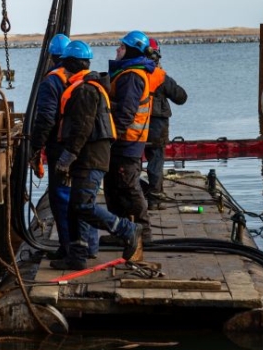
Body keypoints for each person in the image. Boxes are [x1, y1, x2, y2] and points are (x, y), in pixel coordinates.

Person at [52, 40, 144, 270]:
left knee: (83, 205)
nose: (61, 68)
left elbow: (82, 127)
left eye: (64, 64)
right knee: (75, 206)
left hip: (90, 158)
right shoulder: (84, 86)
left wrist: (68, 156)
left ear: (71, 63)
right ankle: (77, 255)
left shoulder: (84, 89)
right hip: (89, 156)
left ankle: (127, 229)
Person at [28, 33, 75, 259]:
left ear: (53, 57)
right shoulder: (79, 79)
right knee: (77, 197)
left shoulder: (52, 81)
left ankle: (68, 248)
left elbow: (46, 117)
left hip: (58, 146)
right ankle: (80, 245)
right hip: (77, 147)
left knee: (60, 198)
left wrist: (36, 146)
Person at [103, 30, 154, 228]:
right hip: (126, 141)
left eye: (122, 47)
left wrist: (110, 137)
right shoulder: (127, 73)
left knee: (128, 186)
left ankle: (142, 230)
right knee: (116, 186)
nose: (117, 49)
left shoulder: (132, 76)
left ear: (131, 51)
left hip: (127, 141)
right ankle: (123, 231)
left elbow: (126, 113)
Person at [144, 38, 188, 206]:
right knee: (156, 159)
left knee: (132, 162)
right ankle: (155, 197)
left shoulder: (129, 73)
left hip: (134, 125)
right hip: (157, 126)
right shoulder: (160, 76)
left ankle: (139, 197)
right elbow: (181, 97)